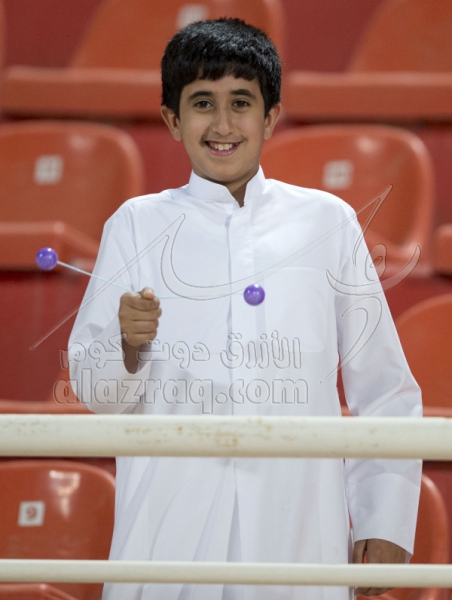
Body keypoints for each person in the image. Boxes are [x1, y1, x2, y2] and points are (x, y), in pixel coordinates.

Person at [69, 18, 422, 600]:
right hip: (169, 523)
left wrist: (384, 518)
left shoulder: (326, 222)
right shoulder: (136, 224)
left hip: (298, 523)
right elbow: (96, 393)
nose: (223, 125)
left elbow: (383, 386)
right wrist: (125, 344)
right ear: (172, 120)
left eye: (241, 102)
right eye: (202, 103)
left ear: (271, 117)